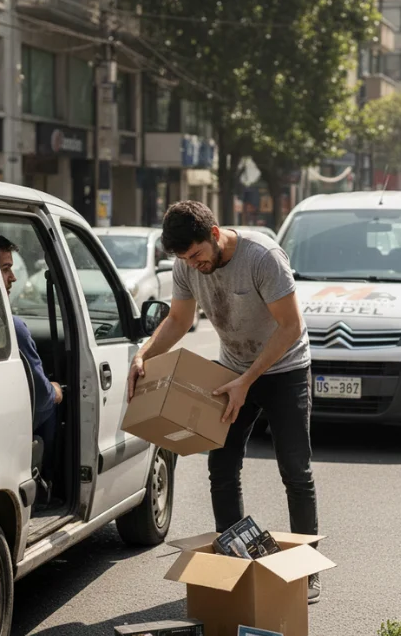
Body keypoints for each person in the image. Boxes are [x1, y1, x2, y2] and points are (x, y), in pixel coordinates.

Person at [126, 201, 322, 604]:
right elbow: (179, 320)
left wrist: (248, 381)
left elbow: (291, 326)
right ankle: (234, 562)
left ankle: (307, 571)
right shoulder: (186, 265)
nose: (193, 264)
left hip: (285, 369)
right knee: (222, 468)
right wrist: (144, 354)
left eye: (197, 254)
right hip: (231, 371)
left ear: (214, 234)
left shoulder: (262, 257)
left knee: (295, 471)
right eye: (185, 259)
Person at [0, 232, 62, 484]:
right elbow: (40, 396)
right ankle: (47, 483)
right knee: (50, 403)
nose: (14, 277)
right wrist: (55, 391)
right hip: (6, 426)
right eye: (5, 269)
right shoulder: (10, 328)